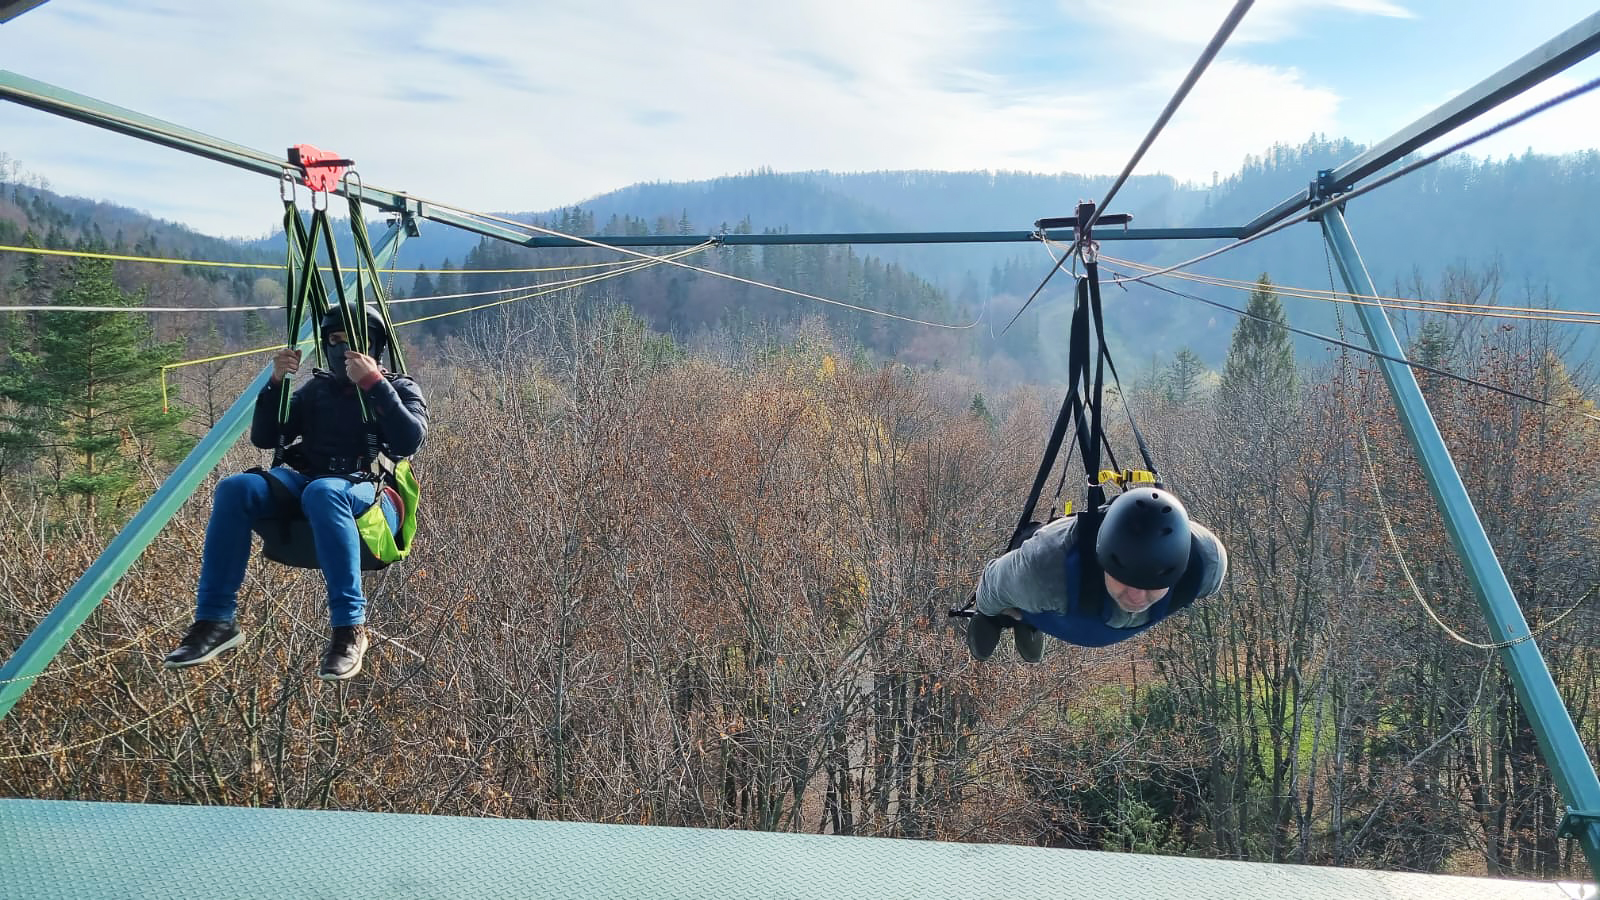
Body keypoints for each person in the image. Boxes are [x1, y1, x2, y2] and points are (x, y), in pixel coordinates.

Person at [164, 306, 428, 680]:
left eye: (352, 342)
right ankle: (215, 620)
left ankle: (350, 629)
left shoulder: (399, 387)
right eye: (335, 341)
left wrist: (373, 383)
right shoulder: (318, 390)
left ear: (374, 347)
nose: (343, 350)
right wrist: (275, 384)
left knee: (323, 492)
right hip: (309, 483)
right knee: (235, 488)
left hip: (365, 490)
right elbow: (266, 437)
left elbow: (409, 440)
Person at [967, 486, 1227, 663]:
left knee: (1038, 595)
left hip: (1064, 608)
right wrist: (987, 613)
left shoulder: (1206, 564)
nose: (1137, 596)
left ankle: (1026, 619)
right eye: (1124, 579)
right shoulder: (1044, 569)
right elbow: (992, 582)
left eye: (1153, 584)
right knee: (1019, 596)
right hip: (1050, 593)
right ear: (1102, 561)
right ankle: (1013, 619)